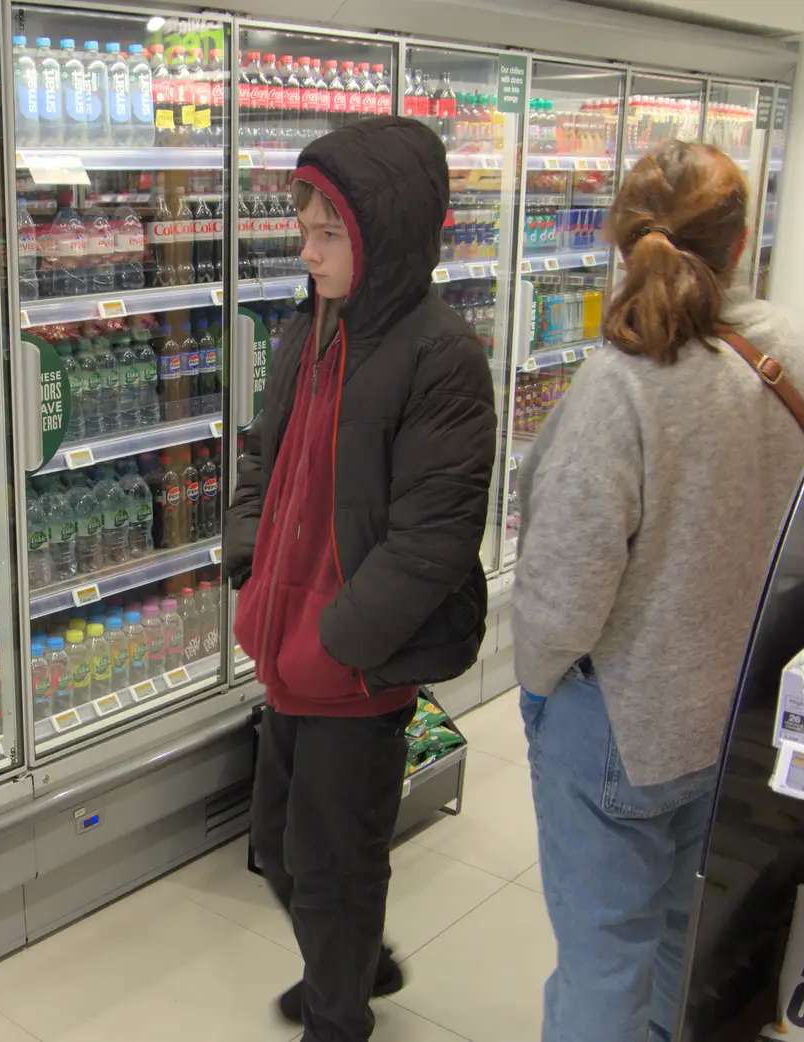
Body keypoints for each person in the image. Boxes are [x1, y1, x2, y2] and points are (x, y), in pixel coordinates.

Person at [513, 140, 804, 1042]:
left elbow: (562, 594)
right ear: (744, 246)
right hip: (745, 719)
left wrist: (539, 691)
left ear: (625, 246)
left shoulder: (621, 386)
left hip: (626, 720)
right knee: (683, 940)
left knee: (601, 958)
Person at [223, 115, 498, 1042]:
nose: (306, 251)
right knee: (277, 850)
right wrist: (247, 560)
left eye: (326, 231)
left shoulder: (440, 354)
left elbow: (434, 538)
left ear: (383, 230)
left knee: (332, 860)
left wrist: (335, 640)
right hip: (286, 646)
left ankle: (340, 1017)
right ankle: (358, 958)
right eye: (301, 230)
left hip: (356, 663)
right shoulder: (309, 330)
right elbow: (264, 458)